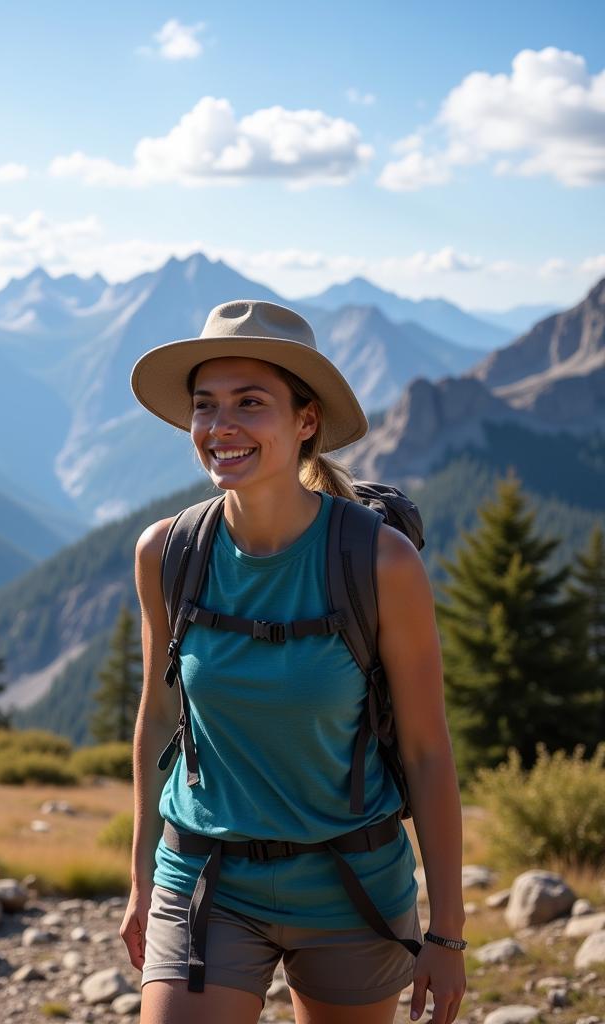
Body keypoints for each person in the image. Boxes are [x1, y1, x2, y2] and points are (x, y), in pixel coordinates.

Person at [120, 300, 467, 1024]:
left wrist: (448, 933)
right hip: (205, 879)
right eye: (205, 406)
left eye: (252, 403)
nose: (221, 427)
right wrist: (140, 880)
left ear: (306, 420)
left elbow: (428, 751)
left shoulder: (378, 560)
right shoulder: (168, 553)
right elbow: (157, 718)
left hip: (351, 885)